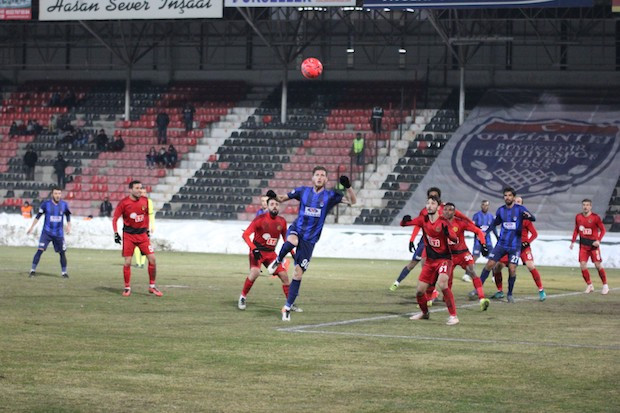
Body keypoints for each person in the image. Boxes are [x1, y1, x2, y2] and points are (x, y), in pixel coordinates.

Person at [266, 166, 357, 321]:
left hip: (310, 239)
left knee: (297, 274)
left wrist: (348, 187)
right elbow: (281, 199)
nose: (320, 177)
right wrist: (274, 196)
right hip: (297, 229)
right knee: (292, 240)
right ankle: (278, 260)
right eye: (317, 175)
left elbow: (352, 202)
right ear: (312, 178)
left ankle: (287, 307)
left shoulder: (331, 195)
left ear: (326, 179)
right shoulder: (302, 191)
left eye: (323, 175)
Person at [390, 187, 474, 292]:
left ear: (439, 198)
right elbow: (418, 224)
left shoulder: (445, 208)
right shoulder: (425, 211)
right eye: (431, 196)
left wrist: (471, 223)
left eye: (435, 196)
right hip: (426, 241)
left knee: (434, 267)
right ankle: (397, 282)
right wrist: (412, 239)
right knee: (416, 263)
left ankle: (432, 292)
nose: (433, 197)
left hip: (440, 242)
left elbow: (460, 215)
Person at [402, 196, 460, 325]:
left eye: (432, 203)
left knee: (443, 284)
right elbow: (407, 223)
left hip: (444, 259)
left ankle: (453, 316)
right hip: (430, 261)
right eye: (427, 203)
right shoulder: (423, 220)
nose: (429, 205)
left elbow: (455, 239)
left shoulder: (443, 222)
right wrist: (404, 221)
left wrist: (448, 234)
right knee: (419, 291)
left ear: (438, 207)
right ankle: (425, 313)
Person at [238, 195, 301, 313]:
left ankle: (289, 304)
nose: (275, 206)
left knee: (284, 276)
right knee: (255, 272)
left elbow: (286, 238)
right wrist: (254, 249)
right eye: (272, 204)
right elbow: (245, 235)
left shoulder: (281, 221)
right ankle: (242, 297)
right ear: (268, 206)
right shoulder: (260, 219)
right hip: (257, 251)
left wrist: (292, 252)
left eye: (277, 204)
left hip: (271, 254)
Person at [477, 187, 536, 303]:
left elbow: (533, 218)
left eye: (509, 195)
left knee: (512, 269)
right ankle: (478, 289)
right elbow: (494, 223)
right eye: (505, 195)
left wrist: (528, 216)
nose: (507, 197)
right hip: (502, 244)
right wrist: (485, 232)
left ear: (513, 197)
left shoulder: (520, 209)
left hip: (515, 246)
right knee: (490, 264)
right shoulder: (501, 210)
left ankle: (509, 294)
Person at [112, 180, 162, 297]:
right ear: (130, 190)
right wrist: (115, 233)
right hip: (129, 236)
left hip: (142, 235)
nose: (140, 190)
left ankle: (152, 286)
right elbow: (115, 218)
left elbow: (147, 216)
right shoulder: (124, 203)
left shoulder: (145, 201)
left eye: (141, 188)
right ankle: (127, 288)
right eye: (137, 188)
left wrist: (147, 229)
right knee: (128, 262)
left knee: (153, 259)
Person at [442, 202, 490, 311]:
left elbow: (478, 230)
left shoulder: (460, 223)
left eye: (450, 210)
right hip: (449, 255)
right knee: (447, 277)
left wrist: (483, 244)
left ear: (454, 212)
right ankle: (446, 297)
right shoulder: (440, 223)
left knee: (471, 270)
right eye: (445, 209)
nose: (447, 211)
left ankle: (482, 298)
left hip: (463, 253)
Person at [26, 187, 71, 278]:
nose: (58, 195)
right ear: (52, 194)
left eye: (59, 193)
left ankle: (64, 273)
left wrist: (69, 226)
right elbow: (38, 216)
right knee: (40, 250)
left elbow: (68, 215)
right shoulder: (46, 204)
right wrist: (31, 227)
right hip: (47, 233)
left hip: (59, 234)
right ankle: (32, 270)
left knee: (62, 253)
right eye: (56, 193)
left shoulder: (64, 205)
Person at [570, 198, 609, 295]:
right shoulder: (578, 217)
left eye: (587, 205)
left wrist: (598, 240)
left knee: (597, 265)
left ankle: (605, 285)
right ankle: (589, 285)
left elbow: (603, 230)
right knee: (582, 265)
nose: (585, 207)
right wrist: (573, 242)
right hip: (583, 246)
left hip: (593, 246)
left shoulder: (595, 217)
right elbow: (576, 230)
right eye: (584, 205)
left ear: (590, 206)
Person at [133, 187, 154, 269]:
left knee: (144, 245)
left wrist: (153, 225)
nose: (143, 194)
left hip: (145, 228)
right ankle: (138, 263)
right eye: (141, 192)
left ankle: (142, 263)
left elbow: (151, 214)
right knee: (136, 246)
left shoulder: (149, 202)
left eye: (144, 192)